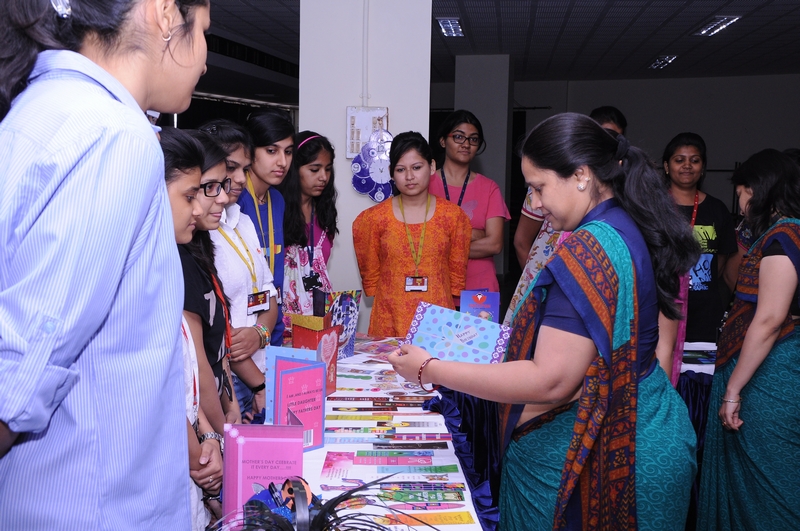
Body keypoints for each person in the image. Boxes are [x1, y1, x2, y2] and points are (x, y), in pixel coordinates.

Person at [389, 113, 698, 530]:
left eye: (539, 187)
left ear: (582, 175)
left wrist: (429, 369)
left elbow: (552, 380)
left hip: (617, 452)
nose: (534, 204)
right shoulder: (625, 224)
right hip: (651, 426)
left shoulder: (589, 249)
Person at [0, 0, 208, 527]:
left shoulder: (39, 110)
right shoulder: (113, 134)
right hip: (93, 506)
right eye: (204, 30)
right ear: (166, 14)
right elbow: (22, 371)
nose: (206, 60)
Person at [697, 149, 800, 531]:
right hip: (764, 369)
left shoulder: (784, 236)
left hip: (769, 375)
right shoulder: (778, 234)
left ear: (755, 189)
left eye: (740, 192)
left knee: (771, 485)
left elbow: (770, 319)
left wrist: (733, 390)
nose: (739, 202)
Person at [507, 106, 627, 325]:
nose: (536, 203)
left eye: (539, 188)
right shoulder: (609, 222)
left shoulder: (592, 240)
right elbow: (522, 241)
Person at [159, 127, 222, 529]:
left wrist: (209, 437)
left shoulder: (170, 261)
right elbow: (158, 391)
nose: (198, 209)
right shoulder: (140, 280)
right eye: (189, 197)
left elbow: (186, 388)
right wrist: (202, 455)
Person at [353, 131, 471, 337]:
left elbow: (456, 275)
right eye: (401, 169)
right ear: (391, 173)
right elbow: (371, 275)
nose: (409, 176)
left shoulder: (453, 217)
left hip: (438, 321)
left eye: (417, 167)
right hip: (389, 319)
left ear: (431, 166)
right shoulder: (372, 219)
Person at [202, 120, 279, 420]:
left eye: (244, 169)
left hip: (260, 367)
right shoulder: (200, 232)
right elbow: (216, 332)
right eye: (230, 167)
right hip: (229, 381)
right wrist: (259, 385)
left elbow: (269, 294)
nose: (239, 179)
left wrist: (261, 333)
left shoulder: (242, 220)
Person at [180, 130, 243, 434]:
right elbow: (198, 365)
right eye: (209, 187)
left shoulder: (202, 245)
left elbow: (217, 349)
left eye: (223, 185)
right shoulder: (179, 260)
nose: (223, 197)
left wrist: (231, 404)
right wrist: (223, 433)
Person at [429, 110, 510, 293]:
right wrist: (476, 234)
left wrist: (443, 244)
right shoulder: (426, 185)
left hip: (479, 289)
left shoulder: (489, 188)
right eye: (459, 137)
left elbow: (495, 244)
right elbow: (420, 239)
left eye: (473, 139)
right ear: (443, 141)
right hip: (437, 287)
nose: (466, 144)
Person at [240, 108, 294, 346]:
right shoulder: (234, 201)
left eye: (288, 152)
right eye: (272, 151)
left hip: (273, 325)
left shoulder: (277, 199)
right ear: (250, 151)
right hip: (242, 329)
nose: (283, 162)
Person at [280, 131, 338, 322]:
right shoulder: (276, 211)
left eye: (327, 169)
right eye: (314, 170)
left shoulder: (324, 215)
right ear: (294, 169)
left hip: (319, 319)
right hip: (280, 320)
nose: (323, 177)